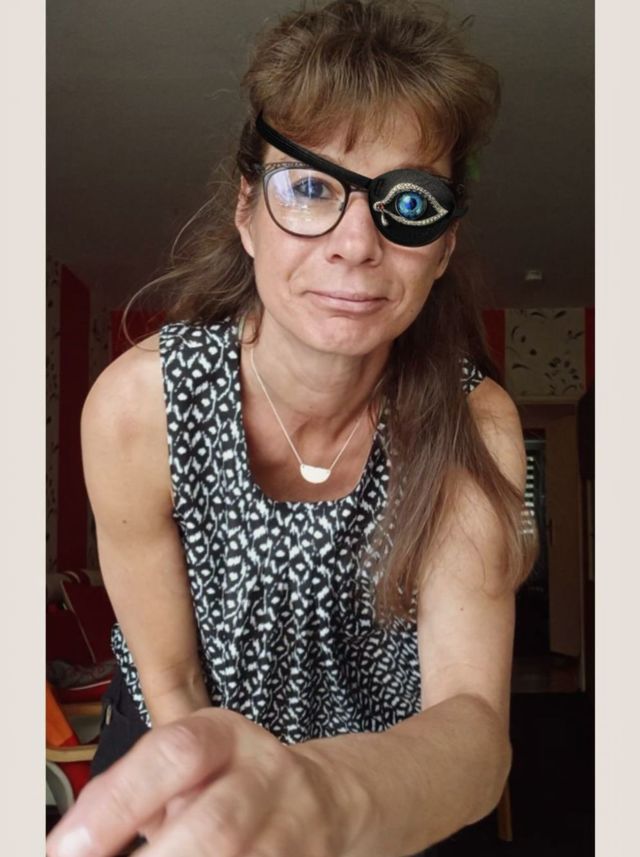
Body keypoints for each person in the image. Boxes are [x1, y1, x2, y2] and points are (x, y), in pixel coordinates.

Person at [47, 1, 535, 855]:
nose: (356, 243)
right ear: (247, 213)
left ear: (444, 246)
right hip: (182, 747)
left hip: (390, 783)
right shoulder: (139, 408)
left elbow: (473, 723)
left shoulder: (471, 422)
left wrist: (323, 793)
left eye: (408, 201)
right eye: (309, 188)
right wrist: (229, 799)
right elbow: (171, 677)